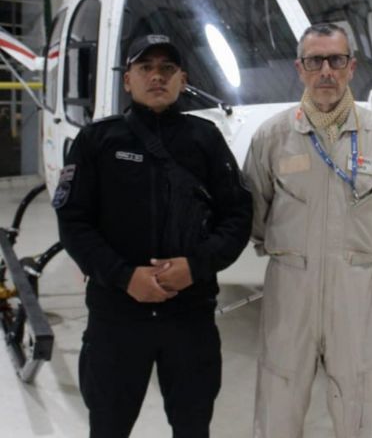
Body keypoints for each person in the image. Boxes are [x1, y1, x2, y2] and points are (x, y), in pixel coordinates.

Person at [54, 34, 252, 438]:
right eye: (145, 68)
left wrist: (195, 267)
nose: (156, 77)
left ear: (183, 79)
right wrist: (125, 277)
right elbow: (74, 223)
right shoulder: (97, 141)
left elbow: (237, 216)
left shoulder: (206, 139)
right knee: (108, 425)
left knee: (192, 425)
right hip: (117, 317)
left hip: (190, 316)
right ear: (128, 80)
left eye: (167, 69)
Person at [243, 23, 372, 438]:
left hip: (354, 285)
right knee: (279, 388)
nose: (326, 70)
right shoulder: (273, 136)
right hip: (291, 285)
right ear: (300, 68)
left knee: (357, 391)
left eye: (336, 60)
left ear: (351, 67)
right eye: (315, 61)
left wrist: (363, 255)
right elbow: (253, 212)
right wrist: (291, 251)